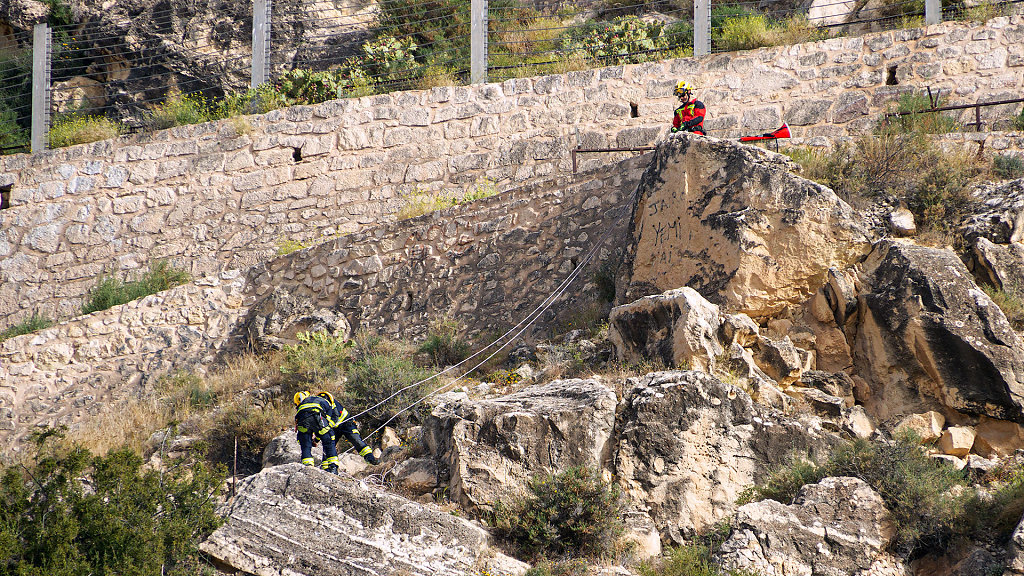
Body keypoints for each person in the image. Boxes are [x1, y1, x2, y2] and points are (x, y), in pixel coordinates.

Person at [317, 391, 380, 465]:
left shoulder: (332, 404)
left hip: (347, 423)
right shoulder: (320, 408)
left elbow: (334, 418)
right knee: (329, 445)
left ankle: (371, 459)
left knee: (357, 441)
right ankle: (326, 466)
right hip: (335, 428)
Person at [293, 390, 341, 474]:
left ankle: (308, 466)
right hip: (317, 417)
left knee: (305, 443)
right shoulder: (327, 403)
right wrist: (321, 435)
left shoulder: (304, 402)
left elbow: (299, 419)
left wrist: (314, 439)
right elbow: (327, 423)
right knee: (329, 440)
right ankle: (333, 467)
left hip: (302, 418)